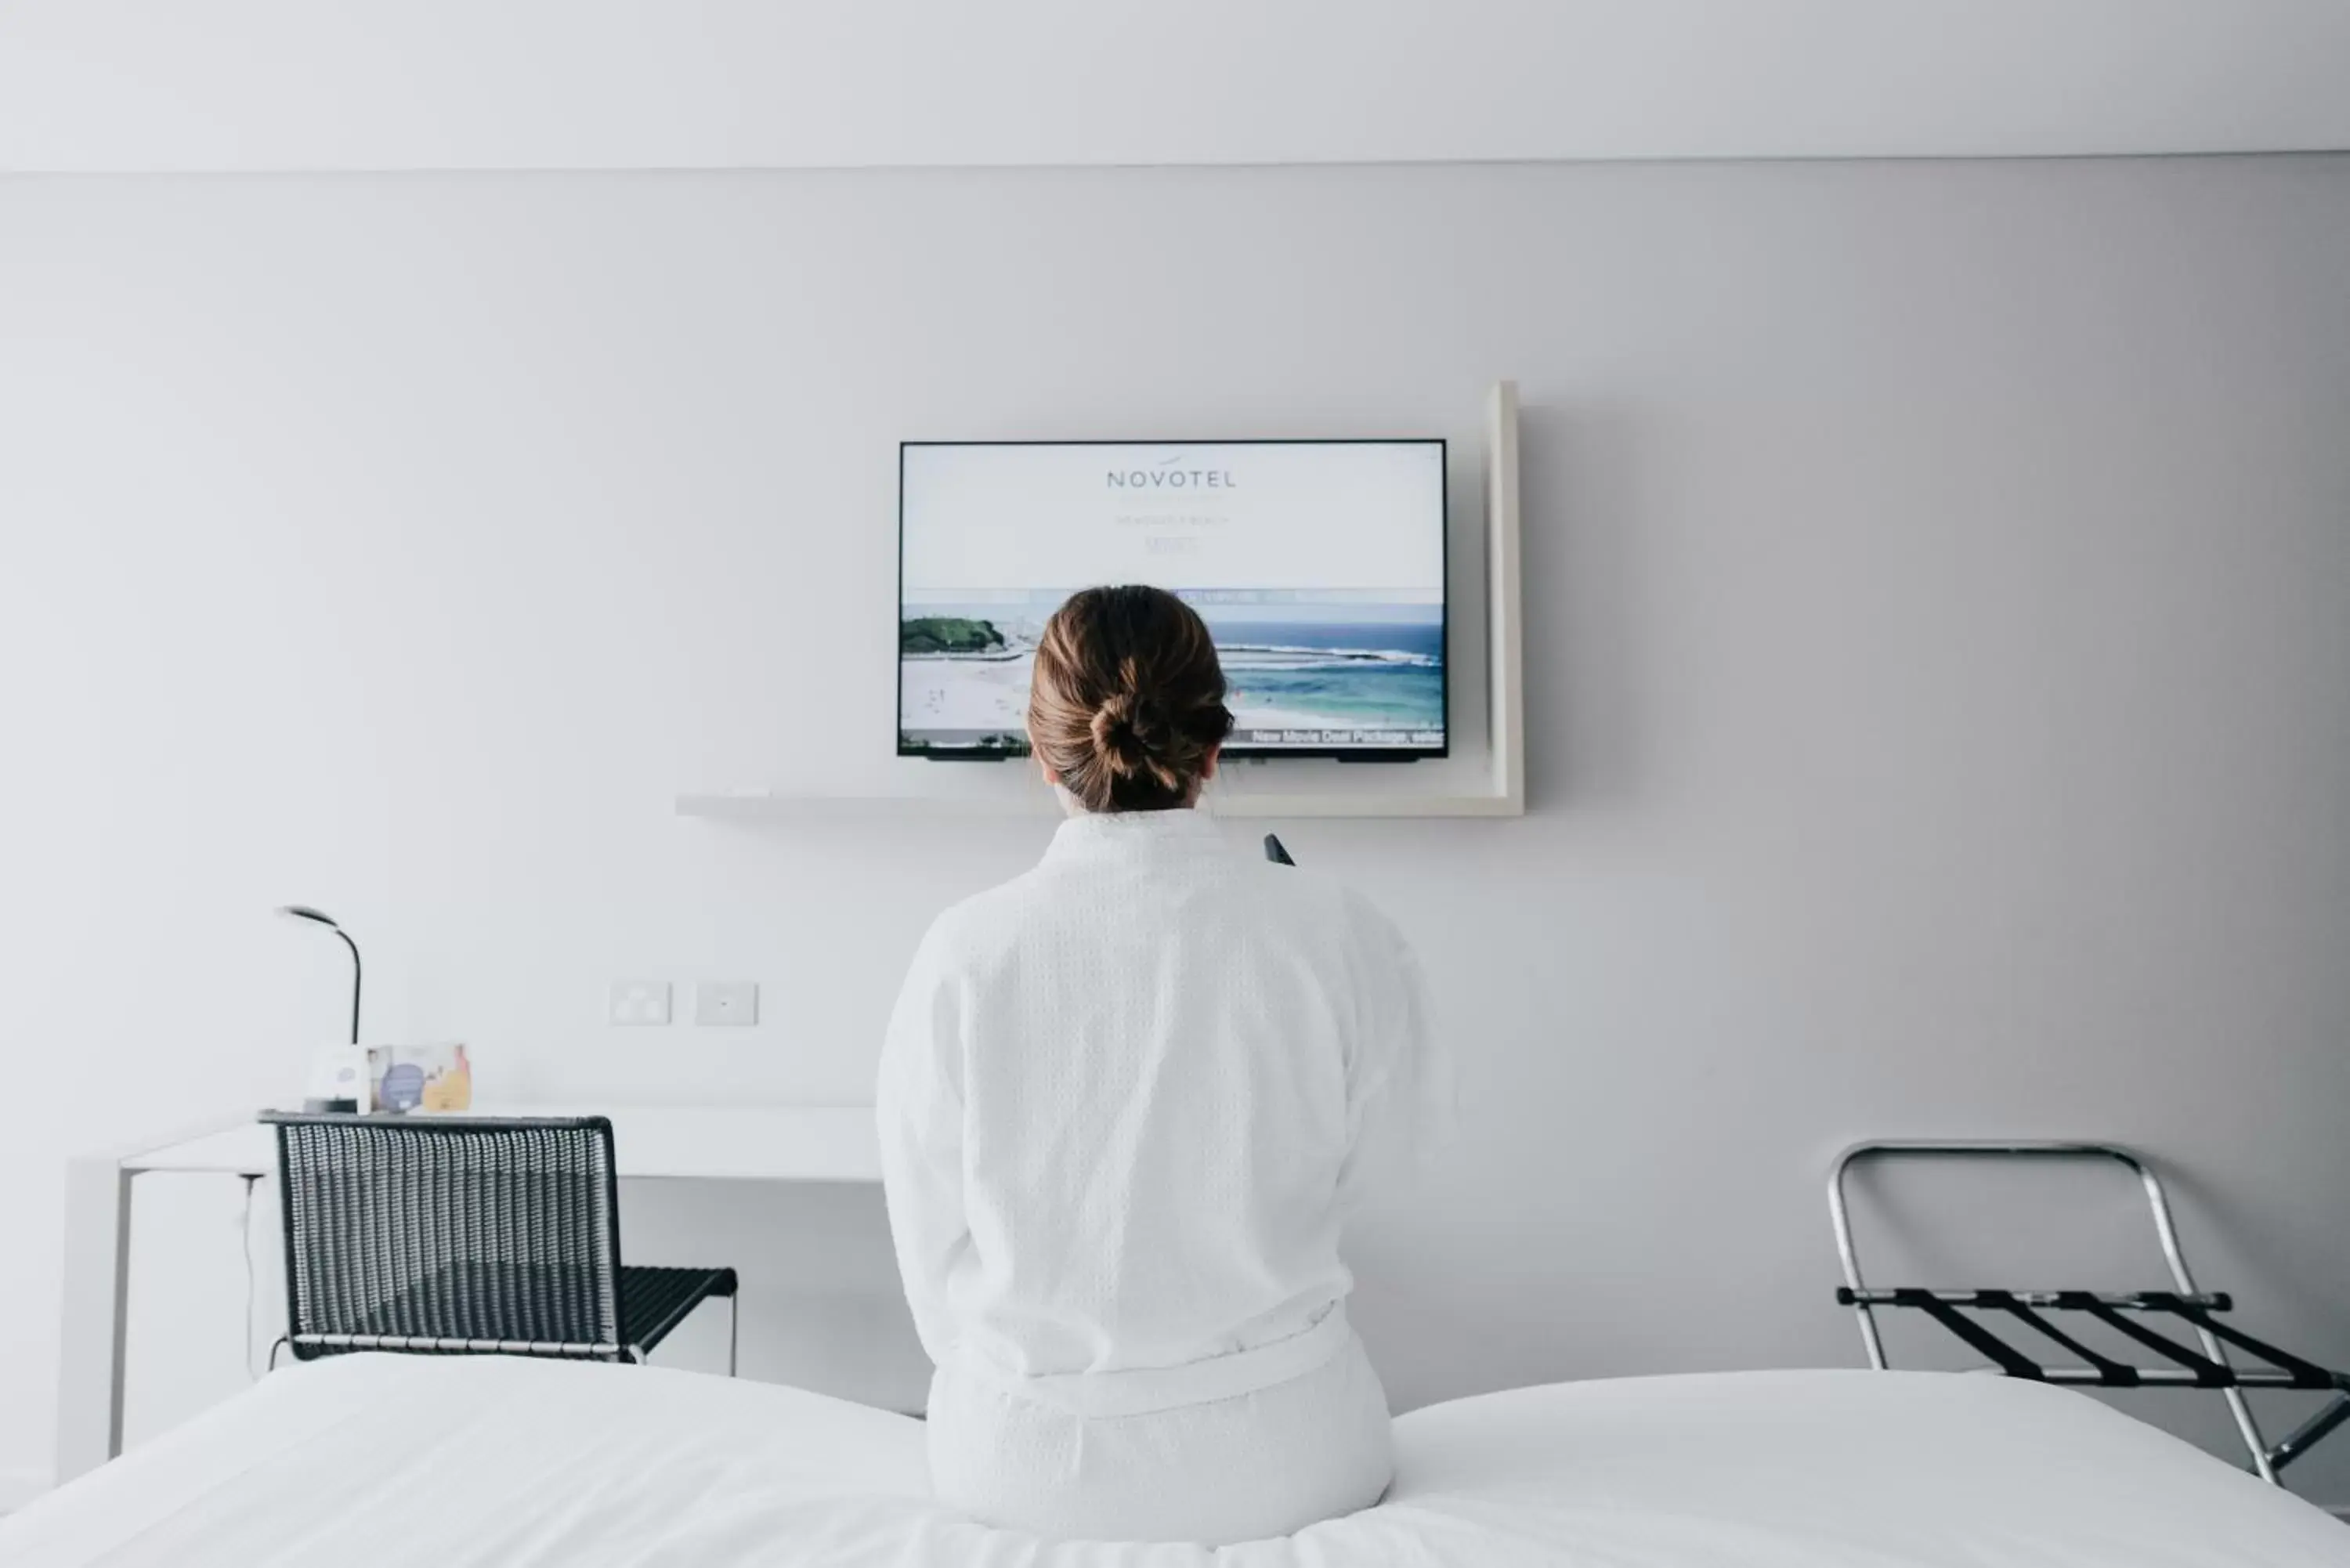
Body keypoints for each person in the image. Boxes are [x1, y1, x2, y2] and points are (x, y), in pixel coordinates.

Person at [876, 584, 1451, 1545]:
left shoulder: (963, 951)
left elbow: (931, 1249)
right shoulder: (1336, 929)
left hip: (1022, 1463)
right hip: (1292, 1453)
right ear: (1215, 746)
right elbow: (1398, 1167)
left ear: (1039, 747)